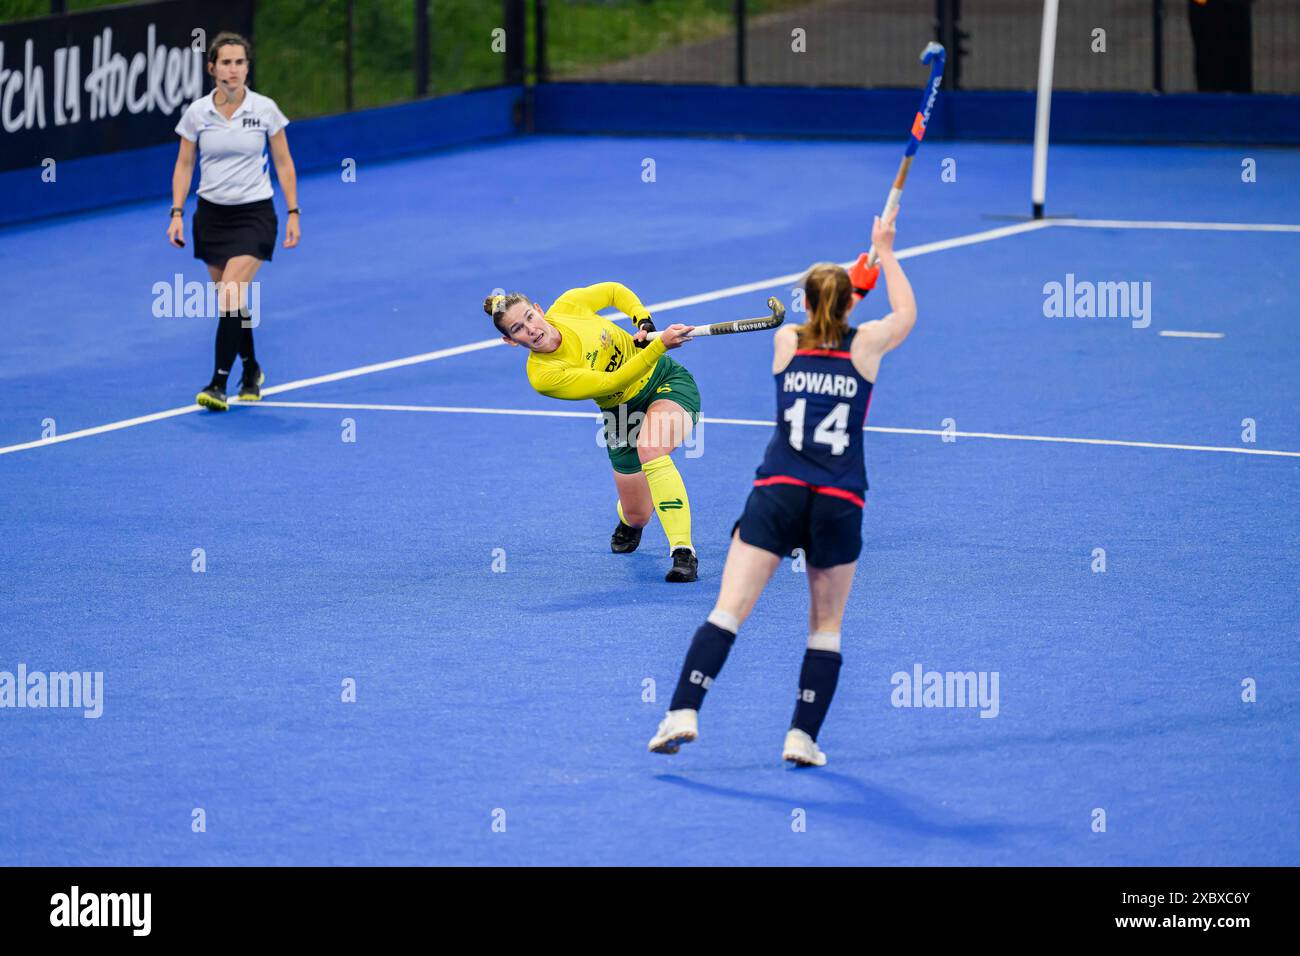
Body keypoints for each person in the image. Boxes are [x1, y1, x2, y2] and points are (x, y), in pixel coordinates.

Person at [648, 206, 916, 765]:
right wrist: (885, 250)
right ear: (849, 305)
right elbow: (905, 313)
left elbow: (831, 311)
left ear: (807, 304)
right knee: (825, 627)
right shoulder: (866, 345)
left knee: (727, 612)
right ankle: (802, 736)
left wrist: (852, 276)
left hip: (778, 492)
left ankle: (681, 711)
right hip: (839, 501)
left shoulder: (788, 341)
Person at [486, 283, 702, 581]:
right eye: (518, 329)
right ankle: (629, 521)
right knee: (638, 513)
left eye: (529, 317)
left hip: (664, 381)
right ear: (510, 341)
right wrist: (658, 345)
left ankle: (683, 551)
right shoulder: (544, 375)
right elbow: (610, 383)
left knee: (651, 448)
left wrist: (642, 320)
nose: (531, 329)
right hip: (620, 413)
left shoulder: (570, 305)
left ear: (539, 310)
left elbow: (614, 292)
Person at [168, 32, 300, 411]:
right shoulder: (197, 114)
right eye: (225, 62)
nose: (233, 69)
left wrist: (293, 212)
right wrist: (177, 213)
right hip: (211, 216)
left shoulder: (265, 110)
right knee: (232, 301)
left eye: (239, 62)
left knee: (229, 293)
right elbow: (184, 164)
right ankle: (252, 368)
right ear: (212, 68)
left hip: (255, 215)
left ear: (247, 66)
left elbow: (284, 163)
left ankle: (217, 383)